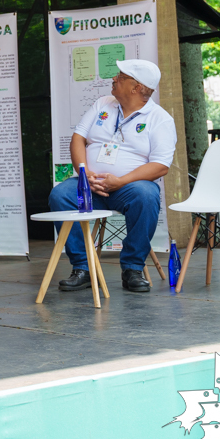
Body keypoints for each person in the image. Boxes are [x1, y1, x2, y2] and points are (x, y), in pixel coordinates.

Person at [48, 59, 177, 293]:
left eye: (120, 76)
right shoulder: (103, 104)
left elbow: (160, 166)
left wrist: (120, 181)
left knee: (147, 195)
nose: (114, 79)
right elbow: (78, 138)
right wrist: (84, 173)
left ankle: (132, 268)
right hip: (90, 185)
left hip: (128, 188)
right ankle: (83, 268)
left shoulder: (160, 119)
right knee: (60, 194)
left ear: (136, 87)